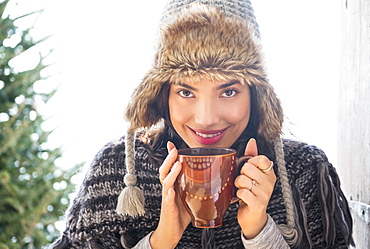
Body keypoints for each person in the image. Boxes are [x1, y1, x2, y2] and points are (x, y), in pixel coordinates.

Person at [51, 0, 355, 248]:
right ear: (161, 94)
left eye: (229, 91)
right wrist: (161, 240)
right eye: (186, 91)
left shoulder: (304, 170)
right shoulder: (116, 169)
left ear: (256, 94)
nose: (207, 119)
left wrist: (260, 231)